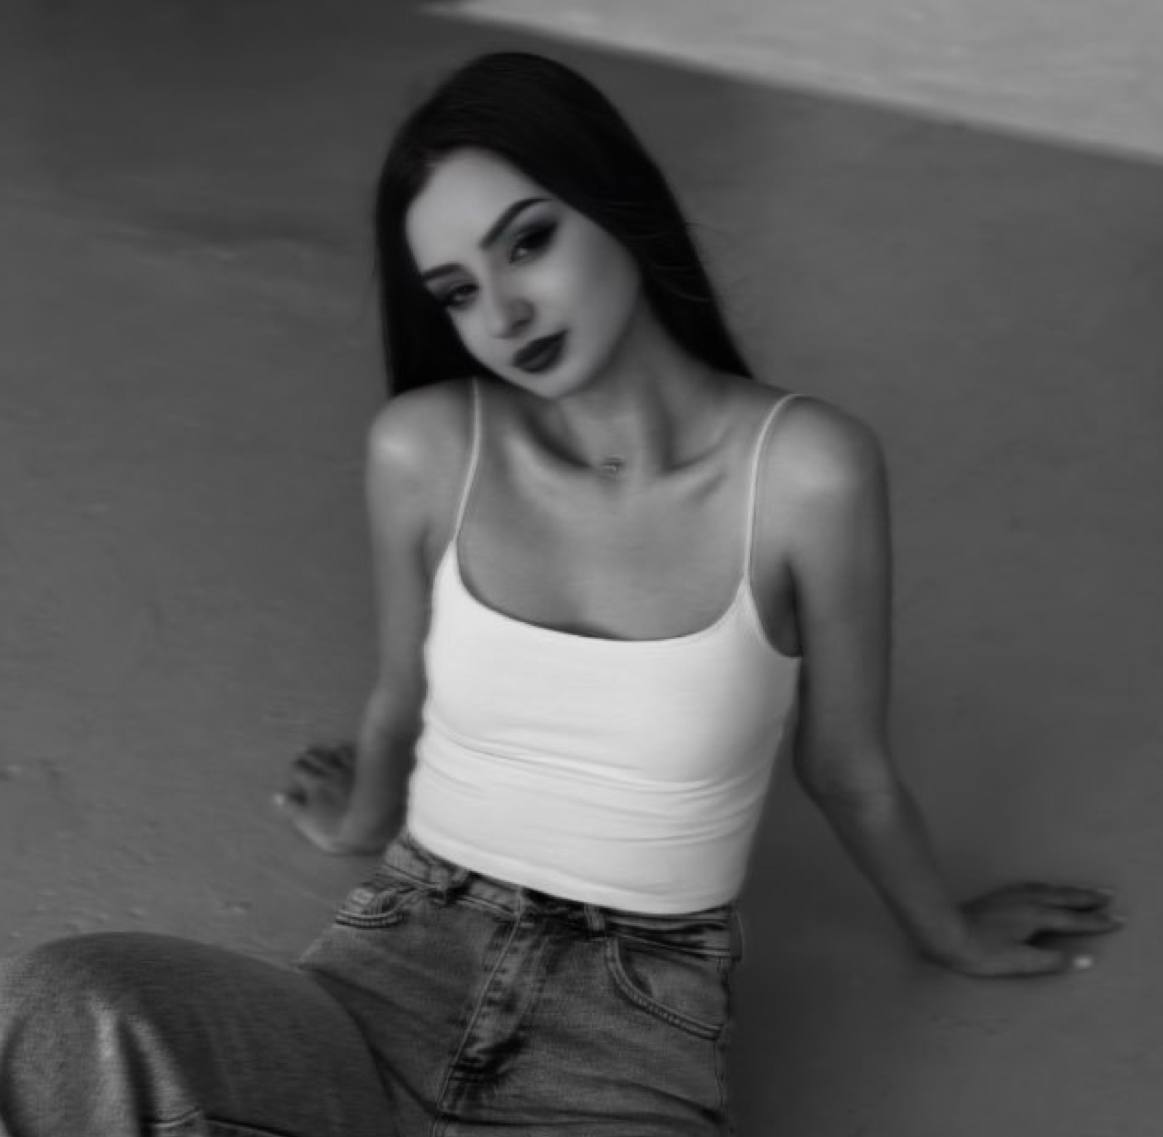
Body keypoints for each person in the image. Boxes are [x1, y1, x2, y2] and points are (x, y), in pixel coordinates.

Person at [0, 51, 1123, 1137]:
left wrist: (946, 932)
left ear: (616, 205)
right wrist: (359, 818)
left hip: (624, 1042)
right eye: (457, 290)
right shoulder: (426, 448)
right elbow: (401, 692)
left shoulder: (804, 472)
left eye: (527, 243)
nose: (503, 312)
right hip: (382, 982)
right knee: (73, 1002)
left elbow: (844, 764)